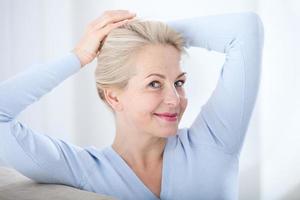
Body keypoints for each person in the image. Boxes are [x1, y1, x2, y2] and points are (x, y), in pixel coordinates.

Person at [0, 9, 264, 200]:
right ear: (113, 97)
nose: (175, 99)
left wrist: (138, 35)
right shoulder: (84, 170)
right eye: (154, 84)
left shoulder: (215, 142)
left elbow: (246, 28)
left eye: (179, 82)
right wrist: (79, 56)